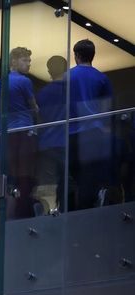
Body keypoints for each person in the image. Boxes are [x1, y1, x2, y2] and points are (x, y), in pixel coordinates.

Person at [0, 47, 39, 219]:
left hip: (5, 135)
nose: (29, 63)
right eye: (25, 60)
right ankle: (23, 211)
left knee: (11, 174)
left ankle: (9, 212)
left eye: (29, 60)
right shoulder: (24, 81)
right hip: (24, 132)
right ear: (13, 62)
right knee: (26, 174)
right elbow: (34, 108)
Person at [68, 39, 114, 209]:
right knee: (91, 175)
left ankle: (77, 210)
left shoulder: (67, 77)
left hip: (71, 132)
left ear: (76, 55)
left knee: (75, 177)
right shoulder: (101, 78)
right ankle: (91, 203)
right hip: (94, 133)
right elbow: (106, 110)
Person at [35, 55, 68, 212]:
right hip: (65, 142)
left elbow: (39, 118)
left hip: (46, 144)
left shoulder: (42, 94)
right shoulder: (70, 90)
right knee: (67, 181)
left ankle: (50, 212)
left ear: (49, 71)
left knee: (48, 185)